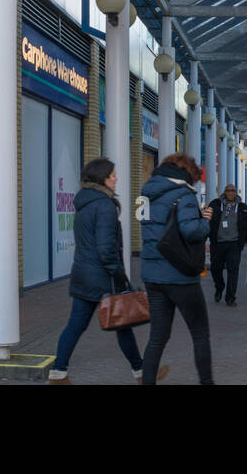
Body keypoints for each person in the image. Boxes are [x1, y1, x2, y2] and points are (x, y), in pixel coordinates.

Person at [48, 159, 168, 385]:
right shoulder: (104, 205)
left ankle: (58, 374)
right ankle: (141, 373)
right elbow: (105, 249)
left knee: (83, 325)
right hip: (102, 277)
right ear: (102, 177)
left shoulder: (84, 202)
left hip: (84, 273)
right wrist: (120, 277)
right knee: (121, 323)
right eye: (113, 175)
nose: (116, 178)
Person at [138, 152, 213, 385]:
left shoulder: (145, 193)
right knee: (200, 334)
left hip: (152, 275)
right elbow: (191, 231)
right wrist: (205, 221)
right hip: (179, 275)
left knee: (157, 337)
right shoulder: (184, 195)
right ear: (188, 172)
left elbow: (150, 228)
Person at [208, 182, 247, 306]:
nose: (230, 193)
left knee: (233, 271)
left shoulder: (243, 208)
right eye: (228, 190)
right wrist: (203, 241)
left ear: (236, 193)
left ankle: (230, 298)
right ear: (224, 192)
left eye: (233, 191)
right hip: (217, 243)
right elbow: (207, 222)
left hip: (234, 245)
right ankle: (219, 287)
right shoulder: (214, 205)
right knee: (215, 269)